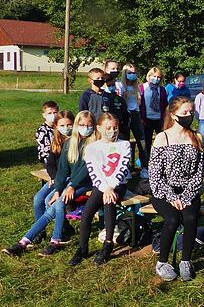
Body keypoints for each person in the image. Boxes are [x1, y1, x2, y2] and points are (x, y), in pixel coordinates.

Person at [3, 111, 96, 257]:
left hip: (88, 183)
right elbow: (63, 169)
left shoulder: (94, 143)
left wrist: (72, 186)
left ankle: (55, 241)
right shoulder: (70, 143)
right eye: (82, 125)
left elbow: (86, 171)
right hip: (72, 182)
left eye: (89, 125)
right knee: (51, 202)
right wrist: (58, 189)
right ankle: (23, 242)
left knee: (59, 203)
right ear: (78, 125)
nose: (86, 128)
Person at [148, 96, 204, 281]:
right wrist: (172, 196)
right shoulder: (162, 138)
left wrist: (187, 195)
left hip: (188, 189)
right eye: (184, 113)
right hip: (164, 190)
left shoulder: (196, 137)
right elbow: (155, 175)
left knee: (190, 217)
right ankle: (163, 261)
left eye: (191, 112)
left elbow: (199, 173)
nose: (189, 116)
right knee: (172, 219)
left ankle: (186, 260)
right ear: (173, 115)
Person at [69, 113, 131, 266]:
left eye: (115, 127)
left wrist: (111, 187)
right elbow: (94, 171)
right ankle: (82, 248)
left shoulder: (124, 145)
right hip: (101, 185)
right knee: (87, 214)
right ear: (99, 128)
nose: (112, 131)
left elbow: (122, 168)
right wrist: (105, 188)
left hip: (118, 185)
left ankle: (108, 244)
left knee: (109, 203)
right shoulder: (92, 148)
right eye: (108, 128)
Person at [32, 110, 73, 247]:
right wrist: (54, 177)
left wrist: (60, 180)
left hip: (68, 179)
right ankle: (40, 231)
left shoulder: (75, 141)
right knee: (38, 198)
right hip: (57, 178)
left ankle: (64, 229)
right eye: (62, 125)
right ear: (56, 126)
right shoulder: (56, 141)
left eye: (69, 125)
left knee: (48, 200)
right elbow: (50, 163)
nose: (66, 128)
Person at [139, 66, 168, 162]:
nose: (156, 79)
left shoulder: (162, 89)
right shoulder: (142, 87)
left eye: (159, 77)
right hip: (146, 119)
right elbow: (139, 104)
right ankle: (146, 163)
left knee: (162, 141)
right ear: (149, 76)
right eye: (154, 76)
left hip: (159, 119)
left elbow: (165, 104)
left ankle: (161, 161)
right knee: (146, 143)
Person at [122, 63, 146, 165]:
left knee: (142, 140)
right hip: (125, 115)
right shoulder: (121, 86)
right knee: (125, 141)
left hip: (136, 114)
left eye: (134, 72)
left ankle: (144, 165)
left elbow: (139, 103)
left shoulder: (137, 87)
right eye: (129, 73)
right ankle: (125, 167)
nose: (132, 74)